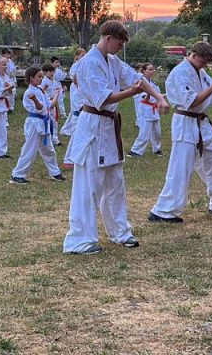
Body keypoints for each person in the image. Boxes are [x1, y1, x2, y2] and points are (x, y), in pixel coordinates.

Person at [63, 20, 169, 255]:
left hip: (109, 127)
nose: (120, 47)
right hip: (93, 126)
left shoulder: (112, 61)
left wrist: (158, 97)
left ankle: (120, 231)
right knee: (89, 186)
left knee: (115, 182)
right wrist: (132, 92)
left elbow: (138, 80)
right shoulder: (88, 64)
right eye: (119, 43)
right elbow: (105, 97)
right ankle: (79, 240)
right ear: (107, 37)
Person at [148, 42, 212, 223]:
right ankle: (164, 210)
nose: (205, 65)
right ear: (194, 55)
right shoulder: (180, 73)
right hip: (185, 121)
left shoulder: (200, 72)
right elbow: (193, 101)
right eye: (204, 61)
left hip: (201, 123)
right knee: (181, 168)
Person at [10, 66, 65, 184]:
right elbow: (39, 108)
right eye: (39, 76)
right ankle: (17, 174)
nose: (41, 79)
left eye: (42, 76)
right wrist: (34, 100)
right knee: (29, 149)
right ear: (31, 78)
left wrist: (56, 94)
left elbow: (49, 105)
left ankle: (55, 173)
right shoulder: (29, 93)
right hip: (34, 123)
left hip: (43, 123)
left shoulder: (40, 90)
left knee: (49, 150)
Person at [129, 62, 163, 157]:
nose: (152, 71)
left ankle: (157, 149)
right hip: (145, 110)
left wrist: (165, 96)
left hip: (154, 111)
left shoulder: (154, 84)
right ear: (143, 71)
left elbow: (158, 96)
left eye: (153, 69)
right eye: (150, 69)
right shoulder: (140, 83)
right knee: (144, 133)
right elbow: (144, 99)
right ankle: (135, 151)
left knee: (157, 133)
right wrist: (151, 93)